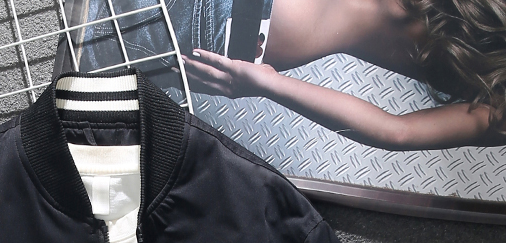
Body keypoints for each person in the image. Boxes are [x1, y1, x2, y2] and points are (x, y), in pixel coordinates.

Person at [76, 0, 506, 149]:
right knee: (72, 39)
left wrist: (266, 83)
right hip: (245, 25)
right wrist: (268, 83)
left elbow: (398, 133)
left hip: (239, 20)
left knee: (69, 35)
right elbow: (398, 133)